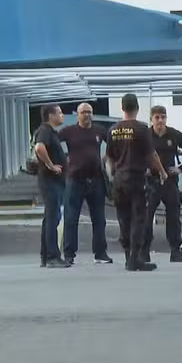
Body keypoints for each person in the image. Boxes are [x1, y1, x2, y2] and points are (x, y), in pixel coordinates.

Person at [105, 94, 168, 272]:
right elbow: (151, 155)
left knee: (123, 219)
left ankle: (128, 257)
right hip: (136, 178)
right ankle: (135, 259)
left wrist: (113, 174)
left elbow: (109, 157)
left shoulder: (113, 130)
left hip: (119, 179)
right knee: (138, 219)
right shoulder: (141, 129)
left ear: (122, 108)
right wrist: (162, 172)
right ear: (137, 108)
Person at [59, 102, 114, 265]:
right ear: (78, 114)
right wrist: (61, 161)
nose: (87, 115)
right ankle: (69, 254)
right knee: (71, 218)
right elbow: (53, 144)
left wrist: (107, 158)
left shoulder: (99, 130)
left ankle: (100, 253)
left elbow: (113, 145)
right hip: (75, 180)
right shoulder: (68, 131)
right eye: (84, 112)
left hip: (96, 179)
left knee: (99, 219)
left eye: (89, 112)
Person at [143, 105, 182, 264]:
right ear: (151, 119)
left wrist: (181, 168)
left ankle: (175, 251)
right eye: (157, 117)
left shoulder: (174, 134)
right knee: (146, 217)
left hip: (169, 181)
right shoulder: (145, 135)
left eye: (163, 117)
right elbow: (135, 154)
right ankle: (144, 251)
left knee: (174, 218)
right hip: (151, 182)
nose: (160, 121)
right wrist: (144, 168)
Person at [33, 104, 71, 269]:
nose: (62, 116)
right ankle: (52, 256)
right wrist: (51, 165)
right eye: (60, 113)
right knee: (53, 218)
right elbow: (39, 147)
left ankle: (46, 255)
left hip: (55, 182)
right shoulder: (45, 131)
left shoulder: (50, 132)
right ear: (51, 115)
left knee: (50, 218)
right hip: (50, 181)